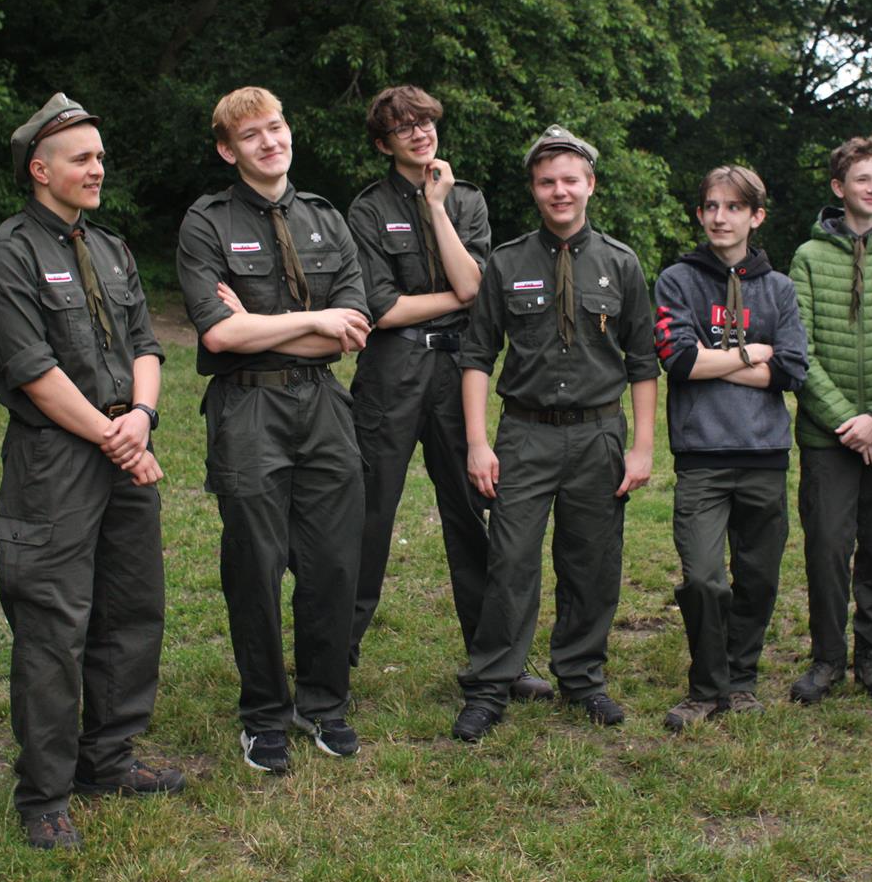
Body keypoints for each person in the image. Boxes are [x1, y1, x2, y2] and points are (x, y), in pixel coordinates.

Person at [0, 92, 182, 850]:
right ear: (40, 169)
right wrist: (115, 437)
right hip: (55, 461)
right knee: (53, 627)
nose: (98, 169)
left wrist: (142, 417)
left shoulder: (112, 249)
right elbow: (33, 372)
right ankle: (45, 794)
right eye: (82, 159)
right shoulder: (8, 256)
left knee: (130, 610)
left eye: (100, 157)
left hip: (124, 443)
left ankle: (109, 760)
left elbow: (146, 344)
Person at [176, 86, 371, 773]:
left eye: (277, 126)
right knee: (254, 568)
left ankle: (324, 704)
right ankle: (263, 715)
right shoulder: (206, 223)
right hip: (247, 410)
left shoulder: (325, 218)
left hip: (323, 407)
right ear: (228, 150)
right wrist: (313, 319)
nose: (270, 141)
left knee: (333, 564)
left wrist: (261, 325)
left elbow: (353, 329)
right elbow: (219, 335)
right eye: (251, 134)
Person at [345, 86, 552, 701]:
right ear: (383, 144)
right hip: (391, 374)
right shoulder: (368, 210)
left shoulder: (466, 201)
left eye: (426, 122)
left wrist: (437, 208)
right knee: (367, 516)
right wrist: (459, 296)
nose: (419, 134)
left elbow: (477, 286)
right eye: (403, 127)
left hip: (457, 371)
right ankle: (335, 661)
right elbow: (381, 308)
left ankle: (497, 661)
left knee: (471, 511)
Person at [451, 125, 658, 741]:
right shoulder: (506, 261)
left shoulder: (621, 263)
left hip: (598, 435)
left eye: (570, 180)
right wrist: (478, 442)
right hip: (525, 435)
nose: (559, 191)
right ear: (534, 190)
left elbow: (643, 361)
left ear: (590, 184)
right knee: (510, 562)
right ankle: (492, 684)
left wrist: (642, 447)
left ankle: (582, 677)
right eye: (547, 182)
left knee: (591, 561)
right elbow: (477, 355)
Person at [655, 166, 808, 732]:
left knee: (758, 578)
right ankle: (705, 687)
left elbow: (791, 371)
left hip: (765, 454)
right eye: (712, 207)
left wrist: (717, 361)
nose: (721, 218)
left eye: (735, 207)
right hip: (702, 456)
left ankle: (739, 682)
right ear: (700, 214)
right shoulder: (677, 280)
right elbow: (679, 360)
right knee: (703, 579)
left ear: (756, 216)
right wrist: (752, 352)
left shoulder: (779, 288)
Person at [787, 137, 872, 706]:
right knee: (826, 548)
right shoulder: (808, 258)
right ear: (838, 187)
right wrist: (849, 421)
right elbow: (800, 349)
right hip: (829, 437)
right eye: (862, 178)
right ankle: (826, 658)